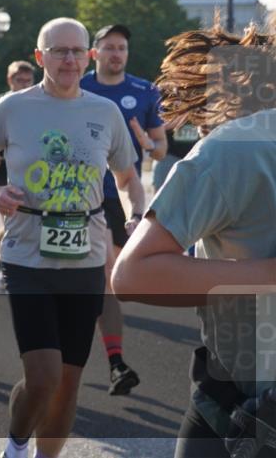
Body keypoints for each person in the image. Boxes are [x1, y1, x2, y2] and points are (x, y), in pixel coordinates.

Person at [0, 17, 146, 458]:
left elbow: (127, 176)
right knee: (43, 377)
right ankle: (16, 444)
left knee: (66, 384)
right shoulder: (13, 106)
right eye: (59, 51)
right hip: (27, 256)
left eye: (77, 51)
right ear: (39, 56)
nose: (70, 59)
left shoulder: (105, 112)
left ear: (90, 56)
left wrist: (139, 214)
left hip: (85, 260)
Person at [112, 23, 276, 458]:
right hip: (243, 407)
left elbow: (135, 276)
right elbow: (133, 275)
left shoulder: (238, 147)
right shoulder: (240, 149)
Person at [79, 23, 166, 395]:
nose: (117, 54)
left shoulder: (144, 91)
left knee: (107, 278)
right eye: (110, 47)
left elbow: (161, 149)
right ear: (95, 52)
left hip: (119, 196)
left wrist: (148, 141)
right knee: (89, 279)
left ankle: (115, 362)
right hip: (73, 194)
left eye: (123, 48)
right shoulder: (77, 86)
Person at [0, 60, 37, 290]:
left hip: (30, 171)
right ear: (9, 80)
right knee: (12, 220)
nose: (22, 84)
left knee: (23, 222)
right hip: (3, 172)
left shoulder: (39, 103)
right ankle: (3, 270)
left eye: (27, 80)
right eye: (17, 80)